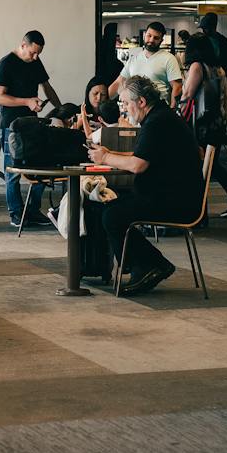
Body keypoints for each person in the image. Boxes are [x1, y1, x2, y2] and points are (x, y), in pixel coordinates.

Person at [87, 75, 205, 296]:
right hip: (172, 194)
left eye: (126, 103)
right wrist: (111, 154)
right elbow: (141, 156)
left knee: (112, 216)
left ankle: (152, 265)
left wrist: (105, 159)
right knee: (107, 208)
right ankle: (140, 266)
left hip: (176, 201)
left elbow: (138, 165)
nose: (124, 109)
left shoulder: (157, 123)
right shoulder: (161, 117)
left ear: (141, 101)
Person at [0, 31, 64, 228]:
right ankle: (16, 213)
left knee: (41, 167)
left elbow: (47, 87)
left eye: (38, 54)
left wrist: (60, 111)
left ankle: (33, 210)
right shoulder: (6, 63)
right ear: (23, 45)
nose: (35, 57)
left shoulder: (35, 62)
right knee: (12, 171)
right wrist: (27, 101)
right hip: (11, 125)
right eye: (32, 53)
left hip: (32, 124)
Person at [183, 31, 227, 219]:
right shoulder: (218, 68)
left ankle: (201, 211)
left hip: (202, 124)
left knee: (202, 166)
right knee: (211, 165)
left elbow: (187, 93)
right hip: (217, 123)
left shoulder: (197, 66)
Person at [121, 21, 184, 107]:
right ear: (144, 35)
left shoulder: (169, 58)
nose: (151, 40)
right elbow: (119, 82)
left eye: (156, 38)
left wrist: (172, 110)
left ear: (161, 40)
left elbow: (177, 87)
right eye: (149, 36)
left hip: (158, 109)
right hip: (135, 109)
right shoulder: (134, 57)